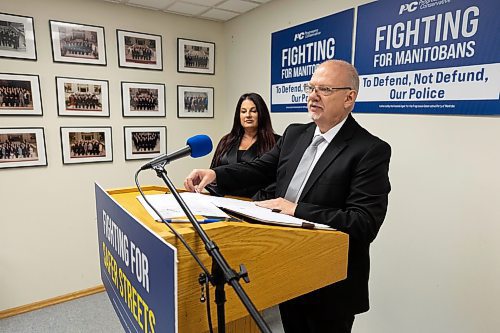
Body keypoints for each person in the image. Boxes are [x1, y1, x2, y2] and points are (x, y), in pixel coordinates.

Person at [184, 60, 391, 333]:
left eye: (325, 90)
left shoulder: (369, 150)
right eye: (311, 88)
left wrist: (296, 209)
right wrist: (216, 175)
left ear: (349, 98)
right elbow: (258, 168)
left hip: (331, 284)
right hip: (288, 268)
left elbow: (364, 222)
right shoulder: (296, 134)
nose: (313, 96)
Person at [207, 92, 280, 200]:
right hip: (223, 201)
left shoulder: (276, 142)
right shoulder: (226, 141)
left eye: (253, 111)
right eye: (243, 111)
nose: (248, 115)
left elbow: (277, 182)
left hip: (256, 204)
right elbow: (212, 173)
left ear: (261, 113)